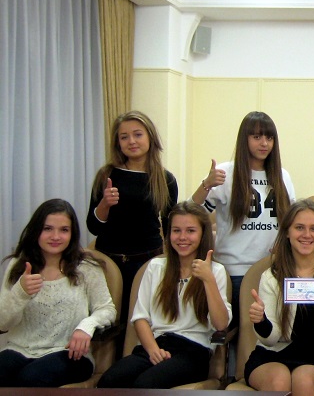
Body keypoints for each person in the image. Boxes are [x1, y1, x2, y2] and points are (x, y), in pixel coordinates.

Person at [97, 201, 231, 388]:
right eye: (176, 231)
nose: (182, 237)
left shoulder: (216, 271)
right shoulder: (155, 267)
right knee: (109, 381)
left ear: (203, 234)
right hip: (156, 343)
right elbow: (140, 317)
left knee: (145, 385)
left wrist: (208, 280)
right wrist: (153, 350)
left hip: (193, 351)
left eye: (190, 231)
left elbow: (221, 324)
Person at [192, 111, 295, 324]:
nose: (264, 143)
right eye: (256, 137)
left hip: (273, 269)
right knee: (239, 331)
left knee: (272, 329)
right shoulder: (225, 173)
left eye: (269, 137)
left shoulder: (282, 176)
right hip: (235, 271)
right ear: (244, 139)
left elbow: (292, 221)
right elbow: (190, 214)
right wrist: (206, 185)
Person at [244, 199, 314, 394]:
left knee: (303, 382)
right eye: (299, 228)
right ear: (287, 232)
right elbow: (270, 339)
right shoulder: (271, 276)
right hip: (272, 355)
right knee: (279, 382)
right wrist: (261, 321)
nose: (307, 235)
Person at [0, 199, 116, 387]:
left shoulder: (86, 268)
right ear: (36, 231)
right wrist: (20, 293)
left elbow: (107, 309)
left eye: (64, 230)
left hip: (70, 353)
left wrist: (86, 326)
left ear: (72, 234)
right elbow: (3, 322)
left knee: (30, 378)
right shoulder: (18, 265)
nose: (55, 236)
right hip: (20, 349)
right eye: (47, 229)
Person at [87, 110, 178, 330]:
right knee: (109, 325)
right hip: (108, 262)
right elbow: (93, 226)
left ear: (150, 137)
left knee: (141, 323)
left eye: (138, 134)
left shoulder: (165, 179)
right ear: (117, 143)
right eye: (124, 137)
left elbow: (170, 228)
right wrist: (104, 205)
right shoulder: (106, 175)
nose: (132, 141)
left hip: (146, 263)